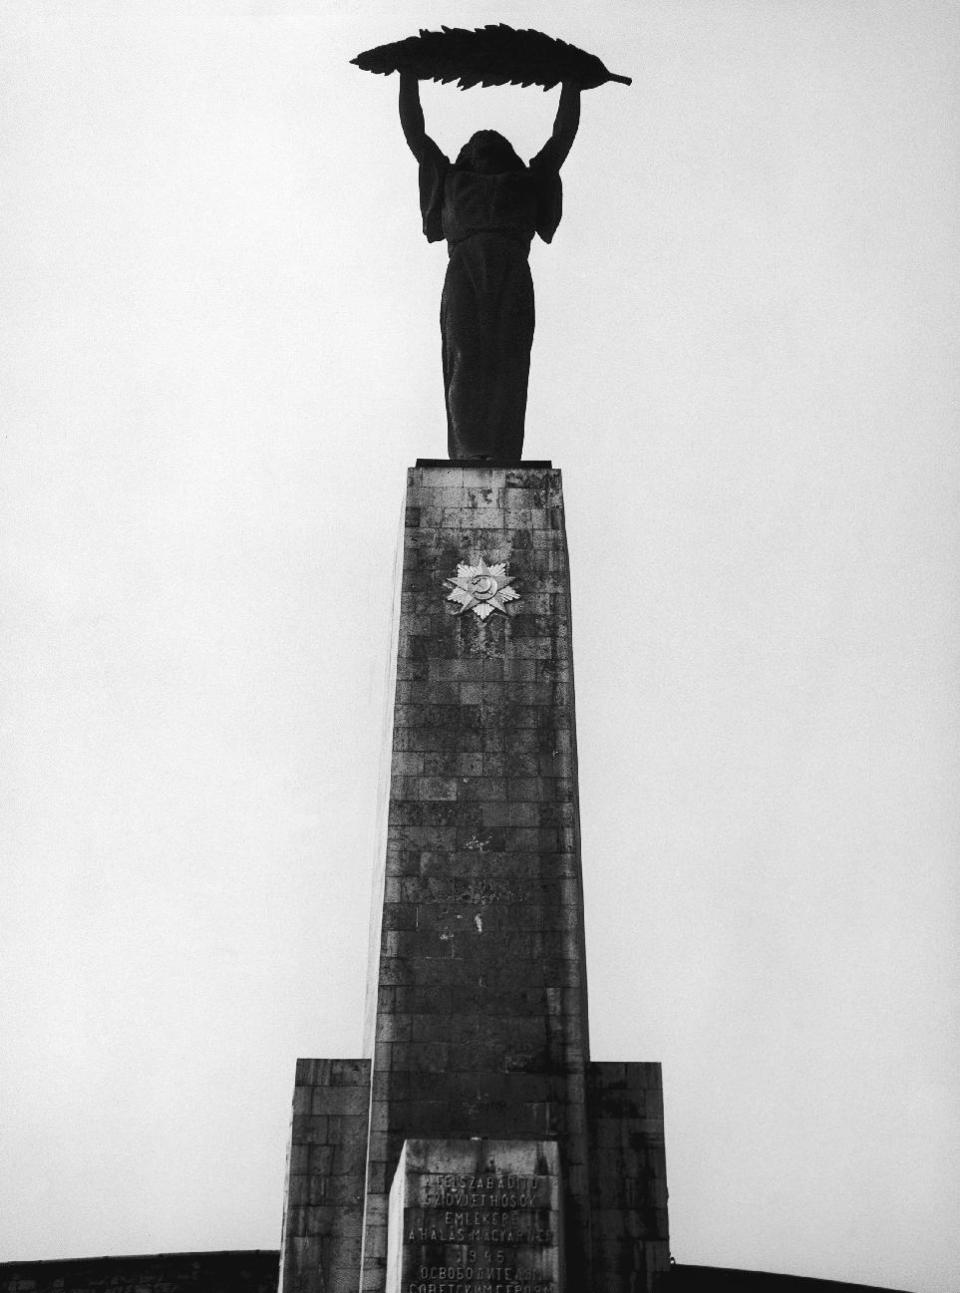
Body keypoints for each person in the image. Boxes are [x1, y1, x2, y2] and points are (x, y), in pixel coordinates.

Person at [399, 72, 581, 461]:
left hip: (512, 272)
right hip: (464, 269)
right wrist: (407, 76)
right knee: (465, 354)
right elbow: (417, 136)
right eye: (477, 145)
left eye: (492, 145)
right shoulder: (450, 179)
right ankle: (469, 451)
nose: (483, 148)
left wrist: (572, 85)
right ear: (466, 155)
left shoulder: (525, 181)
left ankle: (500, 448)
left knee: (508, 360)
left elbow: (561, 139)